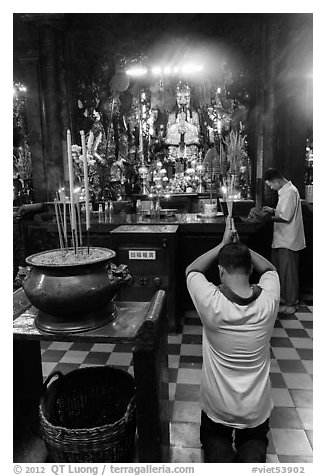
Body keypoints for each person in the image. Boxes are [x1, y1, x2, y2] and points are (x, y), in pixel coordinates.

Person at [185, 217, 280, 463]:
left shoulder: (211, 302)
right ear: (250, 270)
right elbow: (270, 269)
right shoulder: (269, 300)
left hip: (218, 407)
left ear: (220, 270)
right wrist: (244, 249)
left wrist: (222, 245)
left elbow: (192, 270)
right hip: (256, 409)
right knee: (253, 456)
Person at [263, 168, 306, 315]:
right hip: (282, 239)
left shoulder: (289, 192)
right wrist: (272, 210)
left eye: (270, 185)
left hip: (288, 240)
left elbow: (286, 217)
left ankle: (291, 303)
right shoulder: (286, 191)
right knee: (282, 271)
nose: (271, 188)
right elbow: (283, 211)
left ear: (277, 181)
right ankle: (285, 299)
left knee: (289, 274)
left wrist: (267, 217)